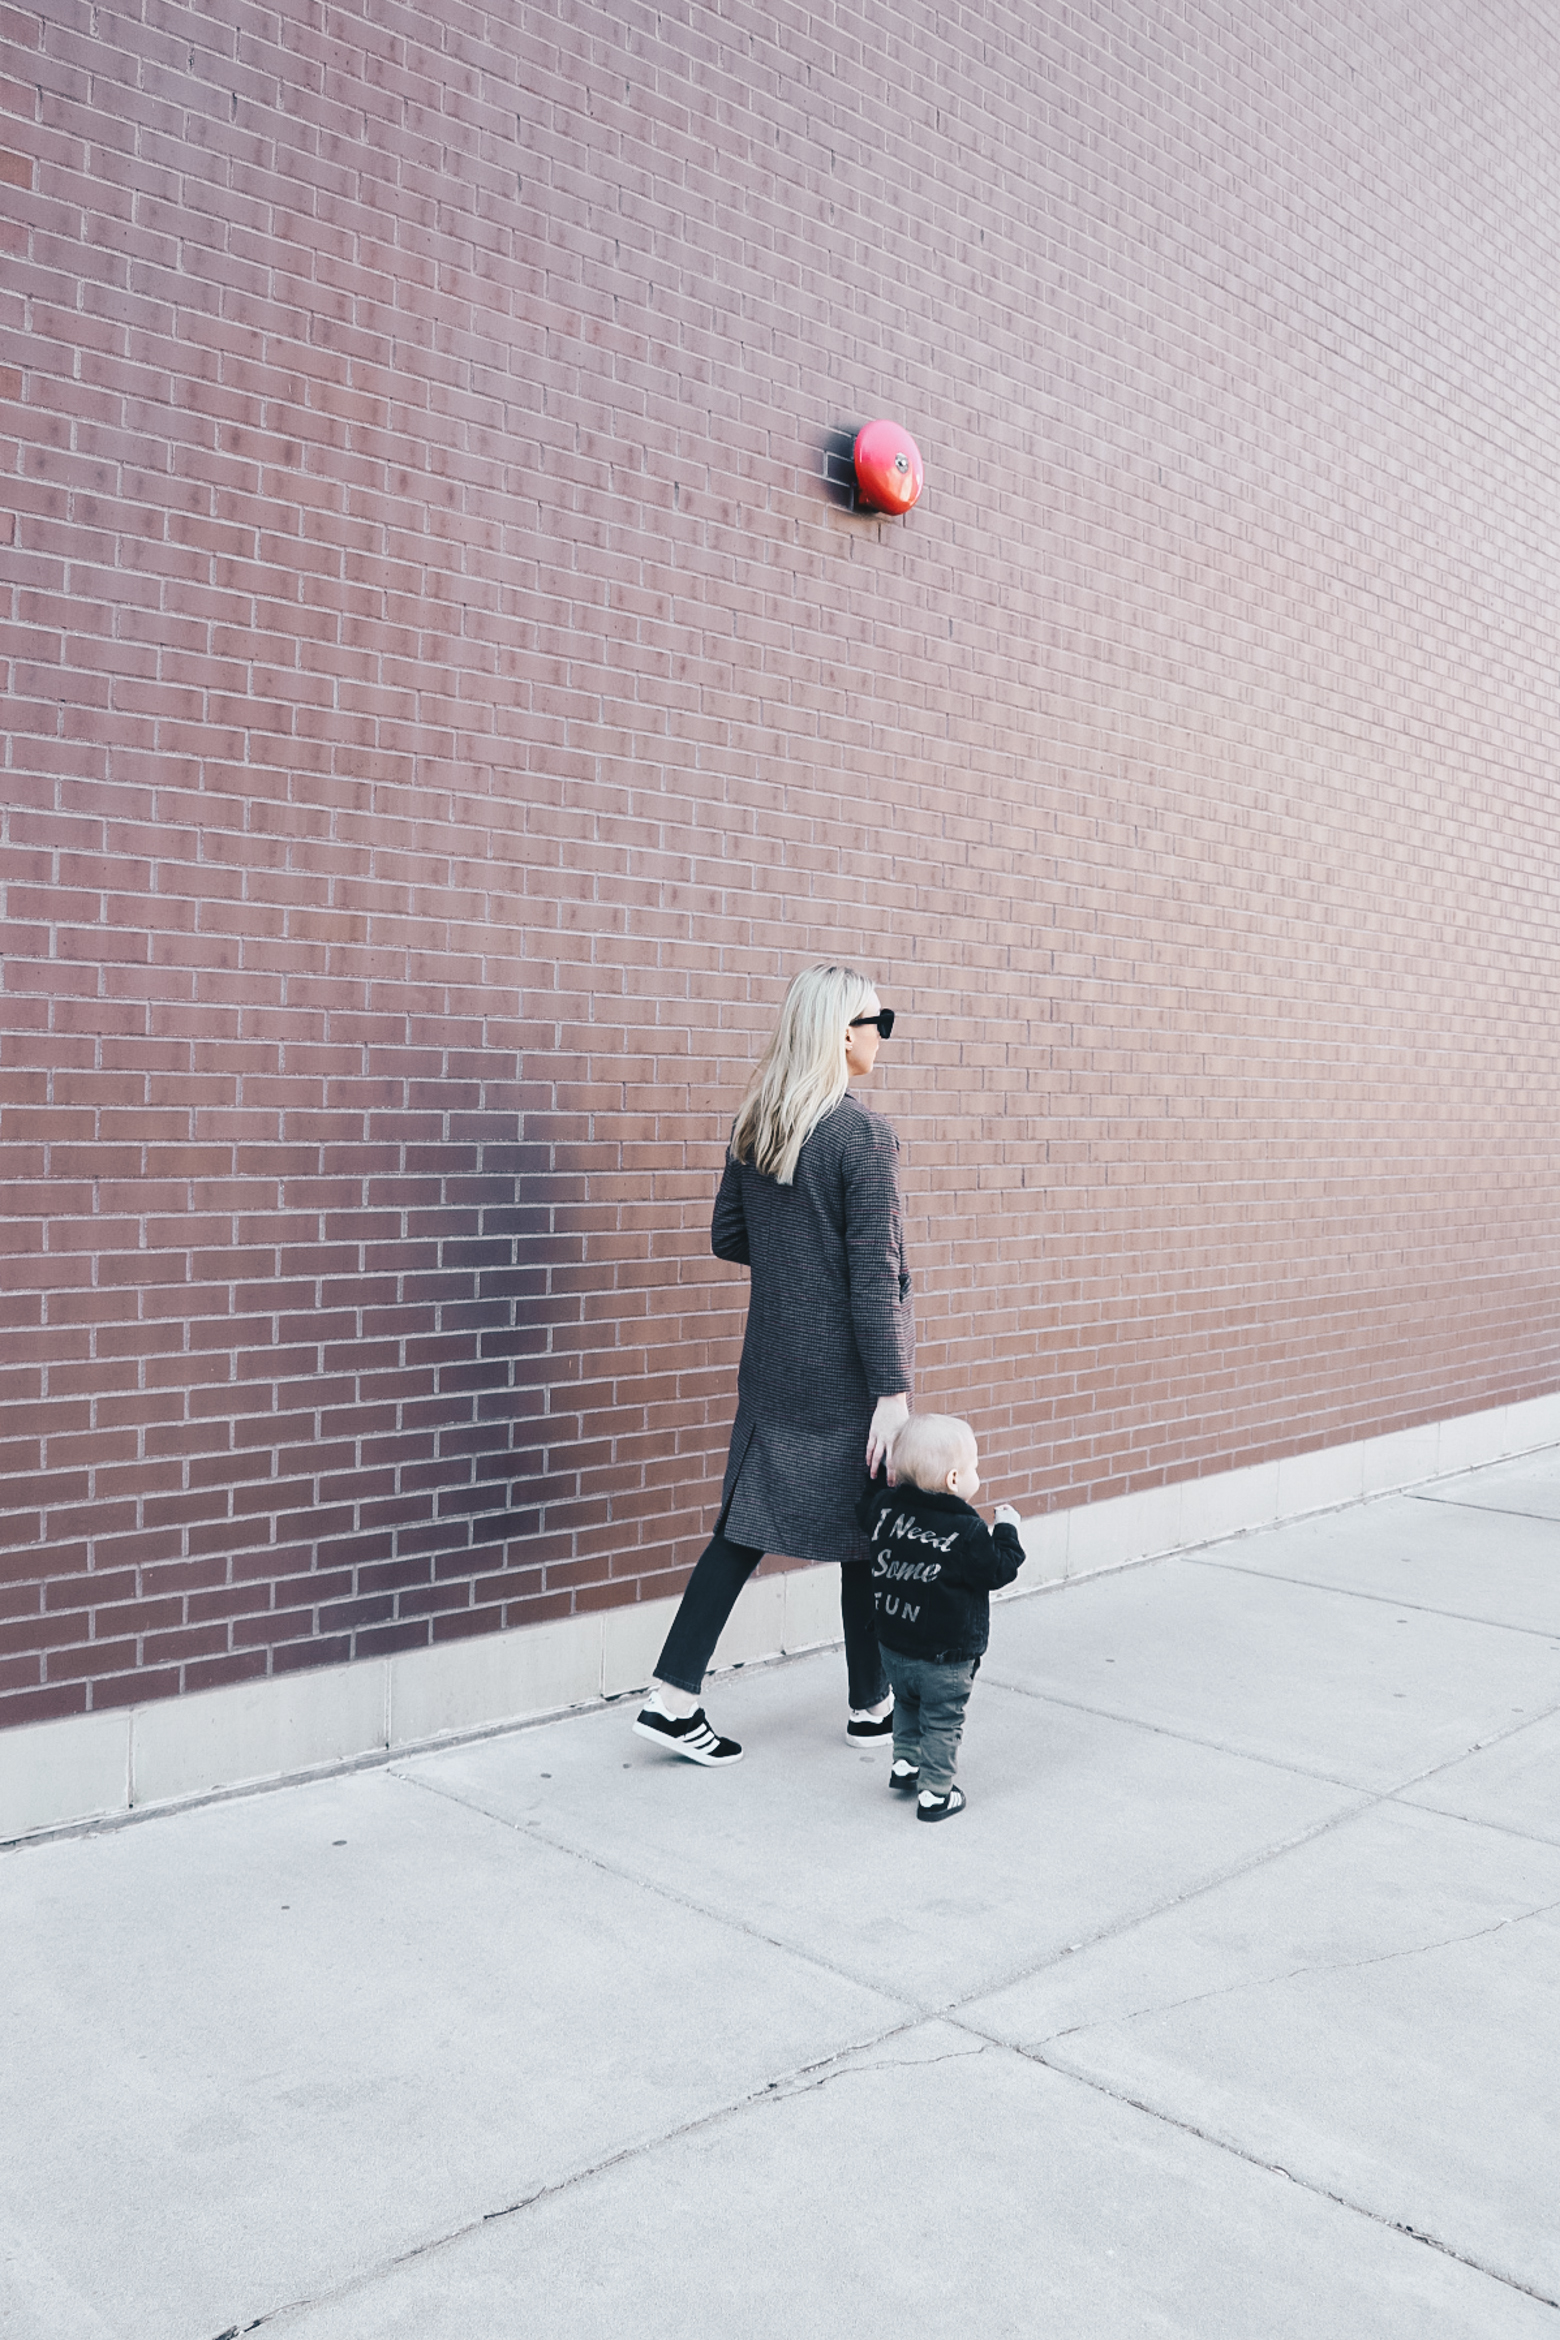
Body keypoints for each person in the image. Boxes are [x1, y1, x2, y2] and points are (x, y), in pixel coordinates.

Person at [634, 962, 914, 1767]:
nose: (882, 1036)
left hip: (774, 1361)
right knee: (867, 1527)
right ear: (841, 1034)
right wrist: (891, 1392)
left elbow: (729, 1236)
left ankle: (691, 1695)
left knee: (747, 1528)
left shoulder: (761, 1122)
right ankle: (861, 1703)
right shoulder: (861, 1135)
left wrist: (794, 1258)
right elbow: (871, 1274)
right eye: (875, 1021)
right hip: (850, 1373)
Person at [855, 1412, 1023, 1821]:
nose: (976, 1473)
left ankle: (905, 1763)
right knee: (943, 1720)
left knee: (908, 1704)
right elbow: (999, 1569)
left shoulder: (884, 1510)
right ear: (953, 1481)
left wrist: (878, 1477)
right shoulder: (967, 1531)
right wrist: (1006, 1529)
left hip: (893, 1647)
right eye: (974, 1467)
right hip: (945, 1658)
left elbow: (864, 1508)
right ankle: (935, 1793)